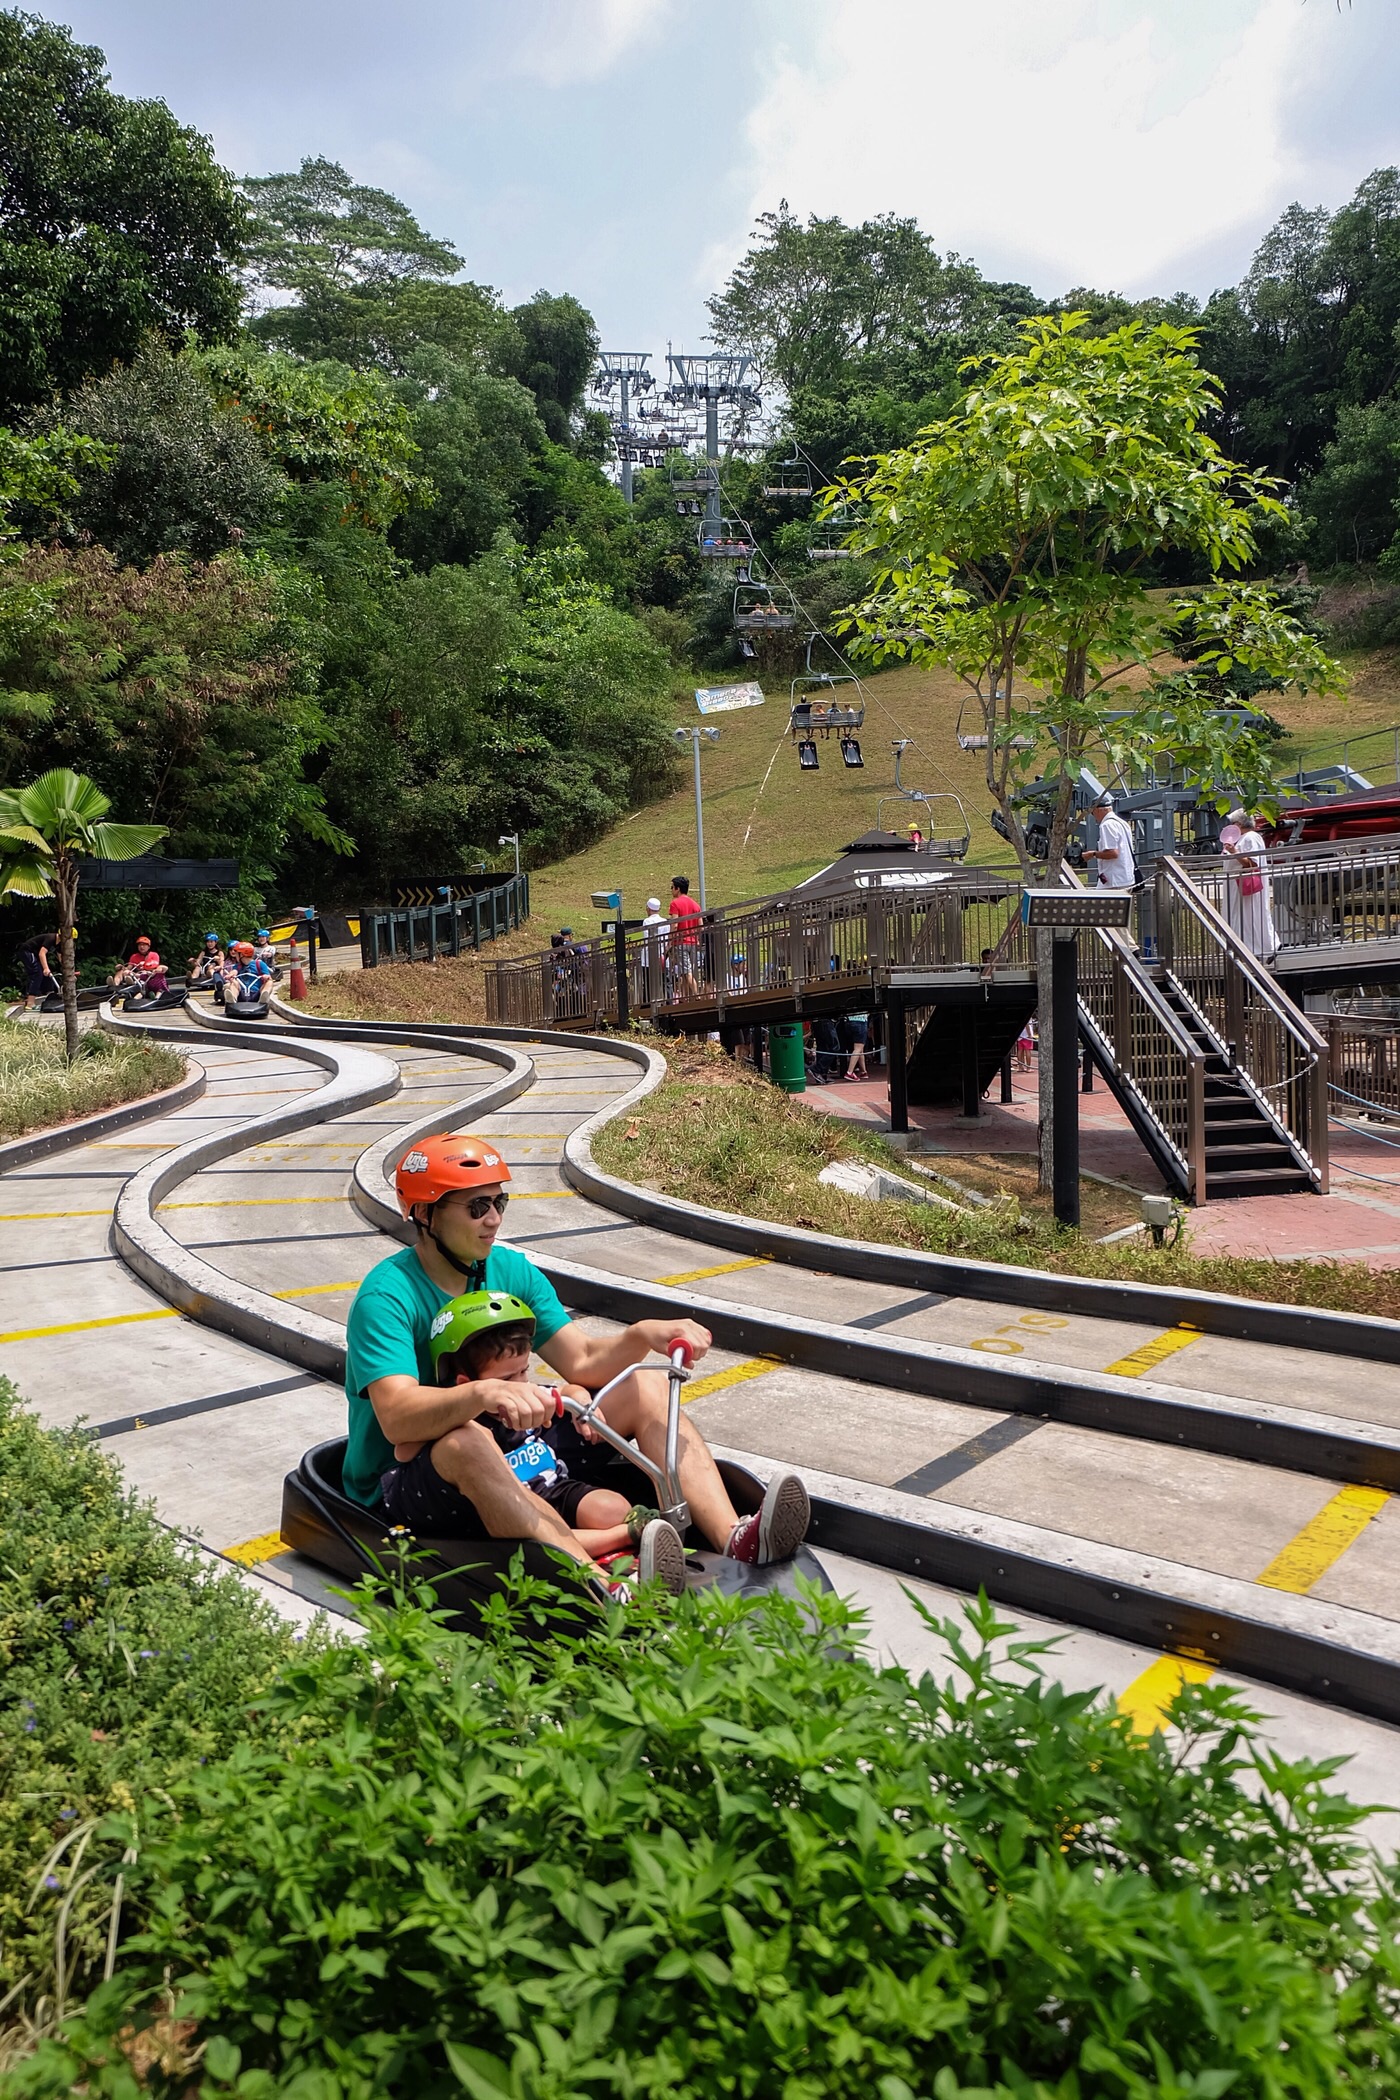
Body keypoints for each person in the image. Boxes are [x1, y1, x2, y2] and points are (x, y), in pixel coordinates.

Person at [342, 1134, 811, 1592]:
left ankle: (735, 1538)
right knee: (467, 1438)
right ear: (425, 1214)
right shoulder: (388, 1296)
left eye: (499, 1203)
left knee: (645, 1388)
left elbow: (582, 1360)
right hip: (408, 1476)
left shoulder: (510, 1271)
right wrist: (485, 1393)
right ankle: (598, 1583)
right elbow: (397, 1417)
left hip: (512, 1441)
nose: (493, 1220)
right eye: (476, 1207)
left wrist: (641, 1335)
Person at [413, 1290, 679, 1583]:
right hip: (512, 1506)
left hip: (553, 1488)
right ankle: (623, 1540)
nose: (521, 1385)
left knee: (613, 1507)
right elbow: (408, 1445)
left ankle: (619, 1542)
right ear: (467, 1383)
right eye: (506, 1380)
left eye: (523, 1372)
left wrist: (581, 1403)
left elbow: (565, 1391)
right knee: (543, 1533)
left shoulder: (530, 1394)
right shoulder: (463, 1420)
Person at [1222, 807, 1278, 962]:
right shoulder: (1244, 838)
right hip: (1236, 885)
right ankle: (1249, 948)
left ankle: (1261, 949)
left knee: (1250, 916)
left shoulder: (1250, 838)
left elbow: (1252, 863)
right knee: (1244, 916)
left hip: (1244, 884)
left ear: (1239, 824)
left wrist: (1234, 852)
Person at [1082, 793, 1136, 889]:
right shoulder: (1122, 823)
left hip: (1113, 881)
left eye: (1092, 812)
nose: (1093, 816)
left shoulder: (1107, 825)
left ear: (1097, 810)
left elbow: (1112, 853)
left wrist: (1093, 854)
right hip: (1126, 878)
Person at [8, 929, 61, 1016]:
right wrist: (46, 968)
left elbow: (61, 957)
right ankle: (30, 1004)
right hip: (27, 951)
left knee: (46, 975)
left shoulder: (61, 944)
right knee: (37, 974)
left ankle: (50, 998)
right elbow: (42, 954)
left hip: (35, 954)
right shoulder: (51, 938)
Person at [667, 875, 702, 1001]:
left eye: (672, 887)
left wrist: (669, 941)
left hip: (680, 941)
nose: (671, 890)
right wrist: (696, 938)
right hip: (692, 941)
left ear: (678, 889)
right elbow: (700, 925)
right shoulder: (695, 905)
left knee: (687, 972)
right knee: (685, 971)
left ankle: (697, 995)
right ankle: (684, 998)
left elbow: (675, 924)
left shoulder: (675, 903)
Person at [641, 897, 668, 1004]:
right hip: (661, 955)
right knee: (663, 981)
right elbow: (666, 939)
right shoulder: (664, 921)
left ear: (648, 908)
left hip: (648, 957)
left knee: (648, 982)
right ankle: (666, 1001)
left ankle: (648, 1003)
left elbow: (646, 938)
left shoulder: (647, 921)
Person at [842, 1009, 869, 1081]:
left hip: (849, 1021)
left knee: (860, 1048)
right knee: (858, 1048)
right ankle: (849, 1072)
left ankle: (864, 1071)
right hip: (861, 1021)